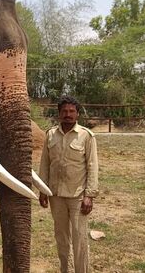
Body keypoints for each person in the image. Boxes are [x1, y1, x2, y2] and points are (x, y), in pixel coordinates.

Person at [39, 95, 99, 273]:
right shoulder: (50, 135)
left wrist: (89, 195)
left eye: (72, 111)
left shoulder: (87, 136)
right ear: (59, 114)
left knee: (80, 239)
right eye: (64, 111)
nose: (68, 114)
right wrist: (43, 190)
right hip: (56, 196)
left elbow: (92, 166)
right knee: (61, 239)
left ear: (77, 114)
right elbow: (44, 164)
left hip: (78, 197)